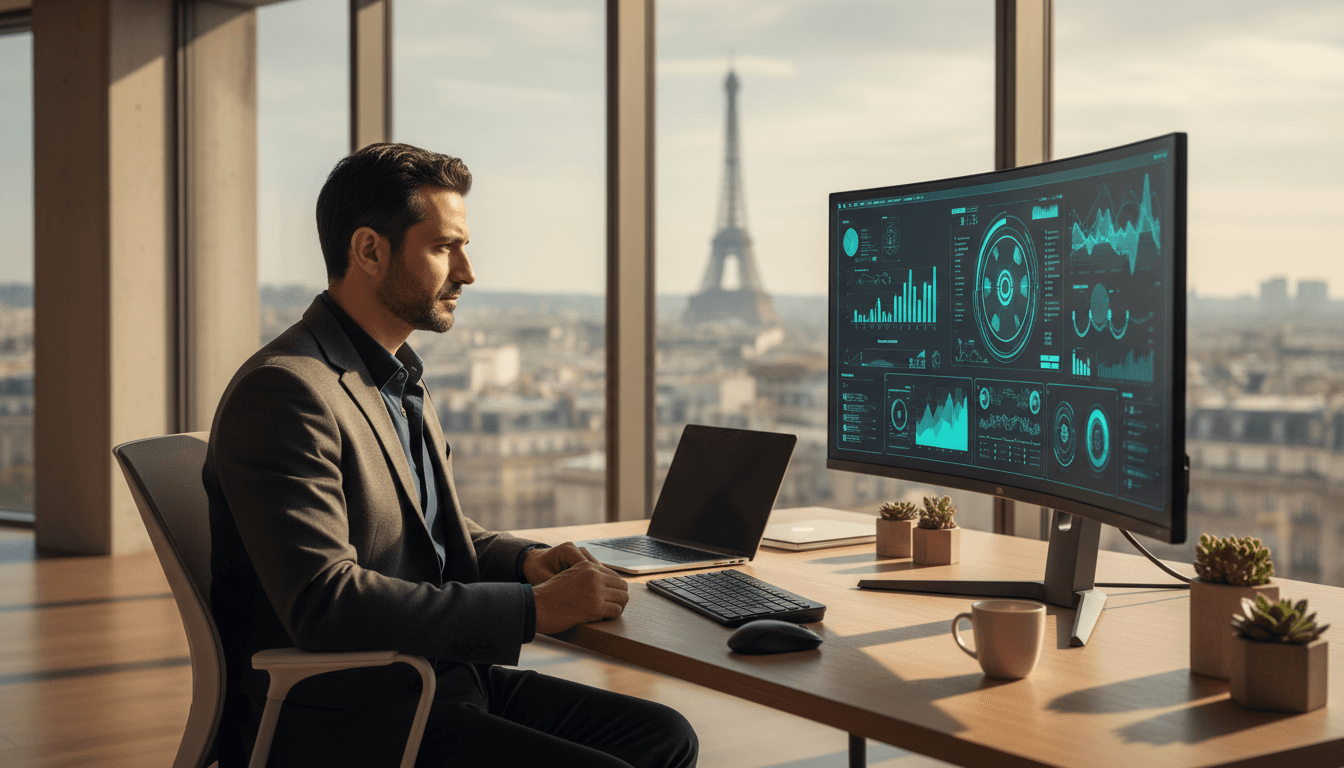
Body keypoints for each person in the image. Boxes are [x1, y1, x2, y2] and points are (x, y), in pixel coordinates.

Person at [202, 143, 698, 768]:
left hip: (434, 681)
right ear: (370, 252)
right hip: (352, 716)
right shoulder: (286, 391)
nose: (467, 271)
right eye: (444, 248)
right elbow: (325, 603)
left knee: (665, 736)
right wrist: (533, 610)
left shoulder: (391, 377)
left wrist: (527, 562)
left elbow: (429, 532)